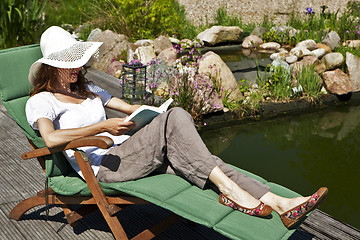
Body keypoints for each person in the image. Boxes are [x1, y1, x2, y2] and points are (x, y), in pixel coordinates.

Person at [25, 26, 328, 229]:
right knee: (178, 119)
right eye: (67, 63)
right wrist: (101, 127)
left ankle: (281, 202)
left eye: (76, 60)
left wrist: (153, 110)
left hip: (127, 153)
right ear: (50, 66)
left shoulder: (88, 88)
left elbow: (129, 108)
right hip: (103, 166)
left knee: (208, 161)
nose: (75, 67)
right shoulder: (43, 101)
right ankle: (232, 191)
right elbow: (51, 138)